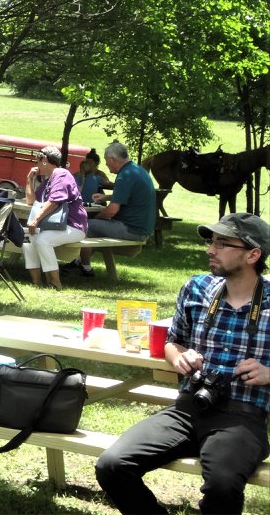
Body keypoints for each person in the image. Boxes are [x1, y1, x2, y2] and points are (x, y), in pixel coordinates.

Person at [95, 212, 270, 514]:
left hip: (241, 418)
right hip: (188, 408)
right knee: (112, 465)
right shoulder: (197, 288)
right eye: (211, 241)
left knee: (223, 486)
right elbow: (173, 341)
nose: (210, 250)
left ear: (253, 254)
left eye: (222, 244)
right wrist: (179, 356)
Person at [62, 141, 156, 278]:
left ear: (112, 159)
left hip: (132, 229)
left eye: (106, 161)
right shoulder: (137, 170)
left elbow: (112, 210)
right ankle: (78, 262)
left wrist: (97, 218)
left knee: (87, 225)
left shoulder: (125, 175)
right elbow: (130, 195)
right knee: (94, 225)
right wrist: (106, 197)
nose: (106, 165)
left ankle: (85, 268)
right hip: (142, 228)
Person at [21, 146, 88, 290]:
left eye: (37, 161)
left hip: (73, 226)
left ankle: (55, 283)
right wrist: (29, 180)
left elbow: (54, 201)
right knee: (28, 238)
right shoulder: (48, 181)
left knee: (42, 240)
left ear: (44, 160)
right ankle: (36, 283)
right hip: (56, 226)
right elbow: (31, 201)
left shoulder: (61, 174)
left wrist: (35, 220)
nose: (37, 165)